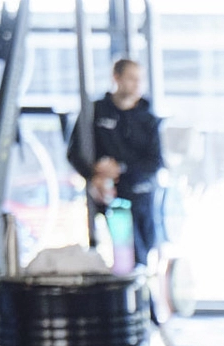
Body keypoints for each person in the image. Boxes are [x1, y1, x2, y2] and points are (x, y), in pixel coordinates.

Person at [68, 58, 163, 267]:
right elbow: (74, 152)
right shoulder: (95, 112)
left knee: (142, 259)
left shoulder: (148, 119)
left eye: (139, 79)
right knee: (121, 259)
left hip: (140, 198)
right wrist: (95, 173)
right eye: (131, 78)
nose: (136, 84)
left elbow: (155, 162)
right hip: (108, 199)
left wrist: (120, 168)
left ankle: (143, 298)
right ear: (116, 78)